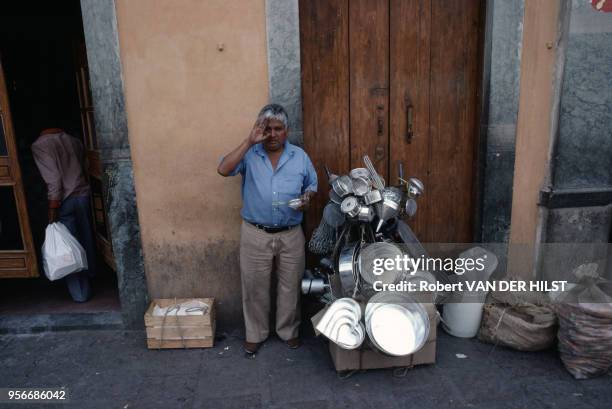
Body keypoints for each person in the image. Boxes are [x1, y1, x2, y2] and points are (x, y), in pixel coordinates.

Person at [218, 104, 317, 355]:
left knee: (290, 286)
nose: (272, 134)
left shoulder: (300, 157)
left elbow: (311, 185)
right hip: (255, 233)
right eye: (267, 129)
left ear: (287, 131)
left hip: (291, 233)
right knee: (254, 287)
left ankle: (288, 331)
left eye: (278, 129)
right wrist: (248, 141)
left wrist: (307, 198)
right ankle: (255, 333)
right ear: (259, 129)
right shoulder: (250, 155)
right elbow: (223, 169)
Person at [32, 127, 96, 302]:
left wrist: (53, 206)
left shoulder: (40, 145)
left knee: (68, 247)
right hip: (82, 196)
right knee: (85, 238)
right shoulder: (74, 140)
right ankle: (93, 278)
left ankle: (80, 293)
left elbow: (53, 179)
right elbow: (84, 168)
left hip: (64, 200)